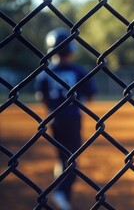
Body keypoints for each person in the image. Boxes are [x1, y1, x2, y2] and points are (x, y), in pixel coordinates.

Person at [35, 28, 96, 210]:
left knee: (62, 158)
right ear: (69, 51)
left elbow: (42, 98)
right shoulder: (78, 70)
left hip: (54, 120)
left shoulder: (45, 72)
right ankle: (61, 193)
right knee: (73, 160)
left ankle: (62, 195)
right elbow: (90, 94)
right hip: (73, 119)